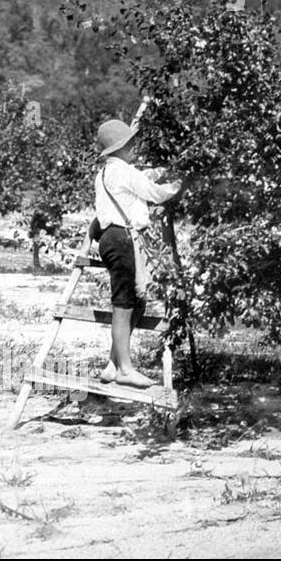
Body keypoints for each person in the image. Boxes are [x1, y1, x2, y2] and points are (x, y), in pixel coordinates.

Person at [92, 118, 181, 388]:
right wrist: (176, 186)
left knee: (134, 300)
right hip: (123, 239)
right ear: (117, 149)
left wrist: (155, 171)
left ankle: (112, 365)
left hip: (110, 237)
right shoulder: (125, 172)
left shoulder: (107, 172)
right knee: (124, 305)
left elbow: (140, 179)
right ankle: (126, 370)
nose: (134, 146)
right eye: (128, 143)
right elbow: (153, 193)